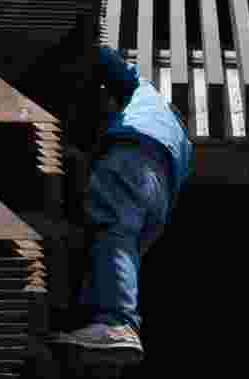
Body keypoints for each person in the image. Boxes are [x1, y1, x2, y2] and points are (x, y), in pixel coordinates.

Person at [49, 46, 192, 360]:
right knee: (116, 243)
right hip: (160, 195)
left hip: (133, 158)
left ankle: (115, 321)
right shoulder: (184, 143)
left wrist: (82, 42)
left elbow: (110, 64)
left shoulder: (147, 96)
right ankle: (102, 321)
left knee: (110, 228)